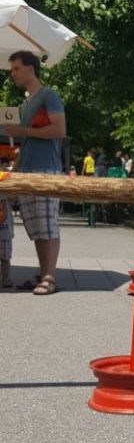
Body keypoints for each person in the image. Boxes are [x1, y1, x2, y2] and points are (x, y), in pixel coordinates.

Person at [4, 51, 66, 296]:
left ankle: (49, 277)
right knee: (37, 227)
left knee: (47, 225)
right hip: (28, 170)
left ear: (31, 68)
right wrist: (17, 169)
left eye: (16, 69)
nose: (12, 74)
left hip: (45, 170)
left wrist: (23, 131)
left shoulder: (49, 95)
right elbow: (29, 139)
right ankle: (43, 273)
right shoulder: (26, 104)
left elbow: (59, 130)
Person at [0, 197, 14, 290]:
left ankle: (6, 278)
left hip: (5, 231)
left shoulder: (7, 193)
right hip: (5, 231)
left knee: (5, 258)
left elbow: (15, 199)